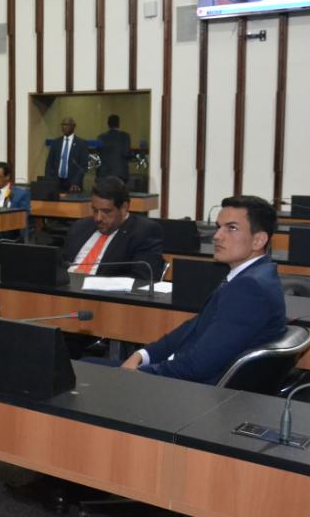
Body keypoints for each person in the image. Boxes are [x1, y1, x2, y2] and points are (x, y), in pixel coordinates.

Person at [119, 195, 286, 384]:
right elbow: (193, 328)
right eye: (218, 227)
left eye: (231, 228)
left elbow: (198, 367)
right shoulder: (252, 276)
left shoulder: (250, 288)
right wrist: (143, 354)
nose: (217, 236)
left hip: (196, 392)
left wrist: (141, 373)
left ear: (258, 240)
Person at [62, 176, 163, 281]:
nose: (98, 218)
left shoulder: (144, 232)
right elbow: (60, 264)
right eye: (95, 210)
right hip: (64, 287)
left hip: (99, 290)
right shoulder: (80, 227)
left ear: (124, 208)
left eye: (106, 211)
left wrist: (91, 280)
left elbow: (143, 279)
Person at [44, 117, 88, 192]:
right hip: (56, 183)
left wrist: (76, 182)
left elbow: (83, 166)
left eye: (67, 124)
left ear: (73, 126)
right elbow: (49, 164)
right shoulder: (56, 143)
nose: (64, 127)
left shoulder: (81, 144)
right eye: (62, 125)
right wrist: (49, 180)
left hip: (73, 184)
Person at [96, 114, 132, 183]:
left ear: (108, 124)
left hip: (104, 173)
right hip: (120, 173)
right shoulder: (125, 136)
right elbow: (126, 153)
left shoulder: (101, 137)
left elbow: (98, 153)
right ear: (118, 124)